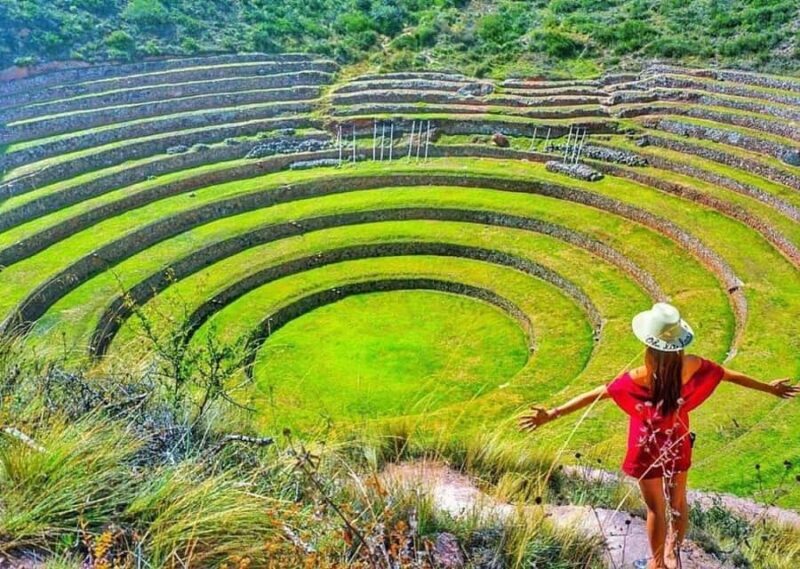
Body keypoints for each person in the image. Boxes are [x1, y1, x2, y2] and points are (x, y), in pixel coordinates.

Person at [518, 302, 799, 569]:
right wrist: (769, 388)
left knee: (655, 509)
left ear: (648, 346)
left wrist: (552, 414)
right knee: (677, 503)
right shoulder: (691, 365)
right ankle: (672, 555)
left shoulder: (637, 376)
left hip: (646, 447)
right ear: (678, 345)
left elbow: (595, 395)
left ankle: (656, 564)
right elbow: (728, 374)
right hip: (677, 443)